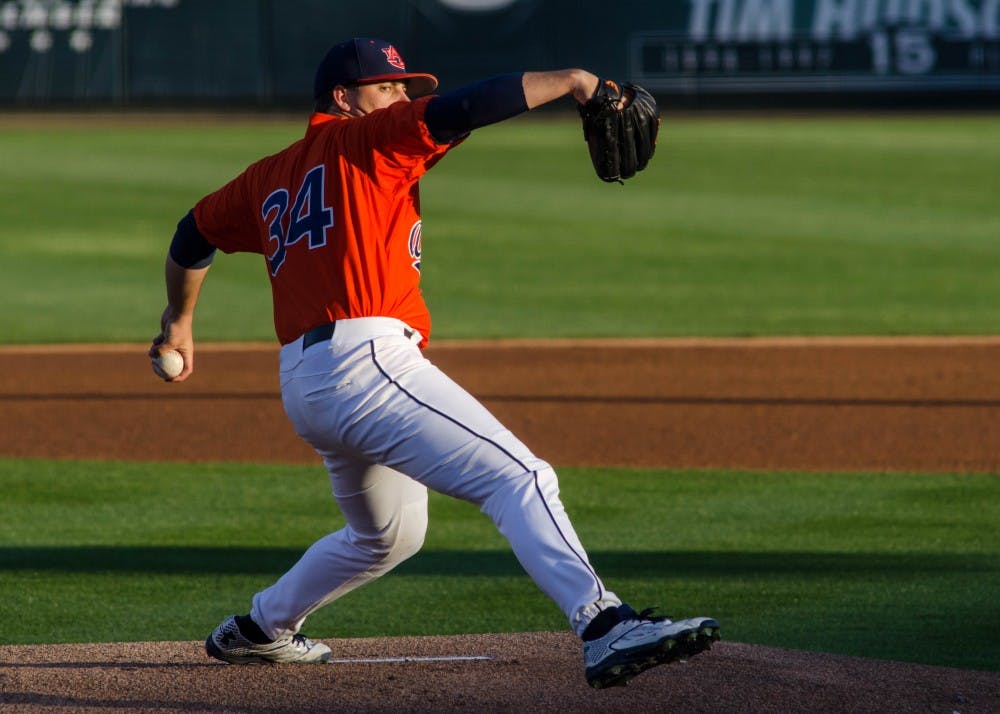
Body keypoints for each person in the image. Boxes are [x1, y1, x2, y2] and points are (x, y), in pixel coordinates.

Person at [149, 37, 719, 688]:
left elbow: (191, 235)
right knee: (521, 477)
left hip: (306, 385)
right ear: (343, 98)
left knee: (389, 535)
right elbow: (470, 106)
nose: (401, 97)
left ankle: (260, 628)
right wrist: (576, 81)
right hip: (366, 364)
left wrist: (179, 320)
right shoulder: (373, 138)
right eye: (387, 87)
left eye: (405, 89)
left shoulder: (267, 175)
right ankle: (606, 626)